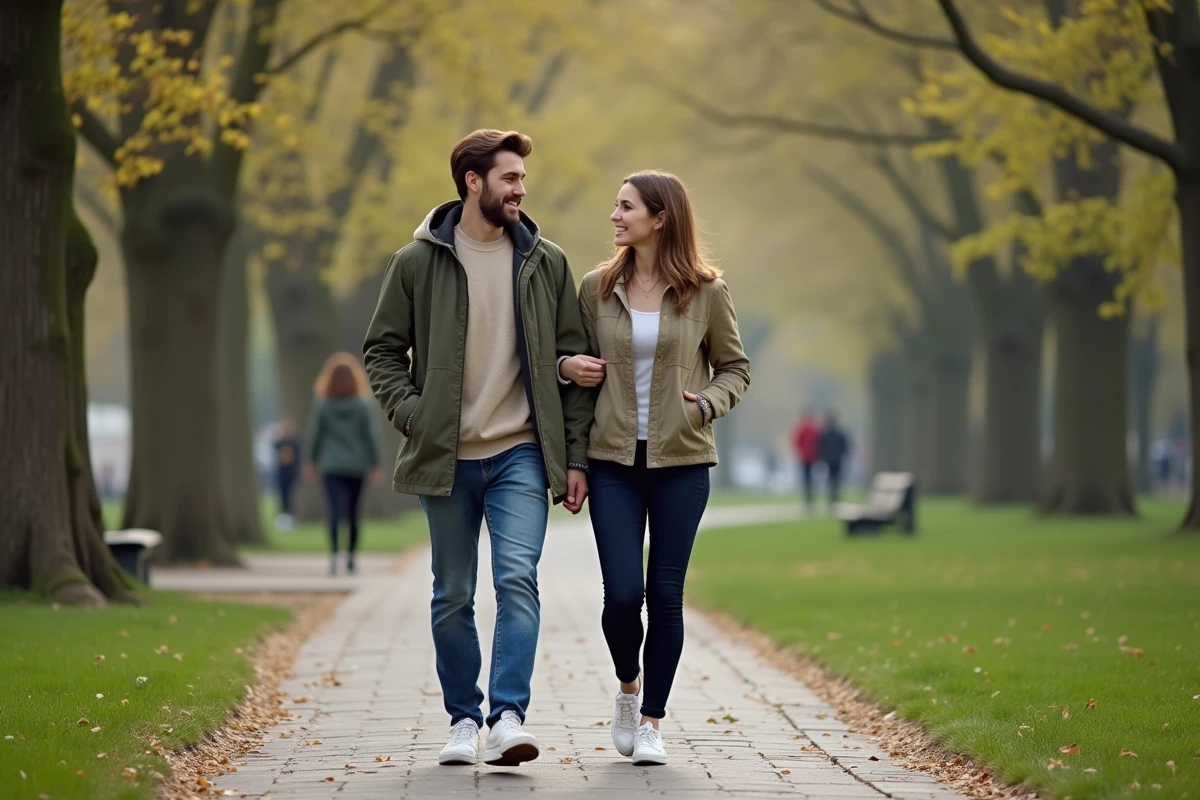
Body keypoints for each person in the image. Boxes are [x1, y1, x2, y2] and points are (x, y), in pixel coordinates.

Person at [362, 130, 593, 768]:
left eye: (522, 178)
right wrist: (413, 415)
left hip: (522, 451)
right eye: (510, 178)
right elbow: (382, 350)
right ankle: (463, 719)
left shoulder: (546, 261)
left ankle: (507, 717)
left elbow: (572, 361)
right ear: (473, 181)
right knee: (452, 594)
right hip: (447, 455)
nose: (521, 189)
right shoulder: (416, 262)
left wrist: (575, 456)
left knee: (517, 578)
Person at [560, 170, 751, 766]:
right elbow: (575, 379)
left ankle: (651, 722)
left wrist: (707, 404)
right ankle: (628, 686)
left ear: (660, 217)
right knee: (623, 595)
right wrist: (574, 452)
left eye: (626, 207)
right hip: (611, 462)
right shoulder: (595, 288)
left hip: (682, 462)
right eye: (616, 207)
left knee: (666, 595)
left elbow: (736, 368)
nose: (615, 217)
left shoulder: (707, 291)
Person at [304, 353, 383, 575]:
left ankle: (333, 556)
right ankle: (351, 558)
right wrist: (375, 464)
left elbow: (316, 435)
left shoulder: (323, 405)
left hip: (330, 465)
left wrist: (311, 461)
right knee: (354, 512)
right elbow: (370, 436)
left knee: (334, 511)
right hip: (357, 465)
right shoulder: (362, 405)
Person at [272, 418, 302, 531]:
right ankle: (283, 518)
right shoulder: (280, 442)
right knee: (282, 495)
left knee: (291, 496)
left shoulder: (295, 442)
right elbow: (275, 446)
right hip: (282, 473)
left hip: (292, 473)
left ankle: (291, 517)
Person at [791, 409, 821, 514]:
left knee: (807, 480)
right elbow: (819, 442)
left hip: (805, 457)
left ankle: (808, 501)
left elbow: (797, 441)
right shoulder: (815, 429)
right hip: (813, 457)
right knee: (812, 480)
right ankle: (811, 500)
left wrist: (801, 451)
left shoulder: (802, 428)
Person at [819, 412, 851, 508]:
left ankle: (832, 498)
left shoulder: (825, 433)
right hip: (837, 459)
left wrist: (823, 455)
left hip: (830, 459)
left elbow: (821, 446)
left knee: (831, 478)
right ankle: (835, 498)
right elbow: (845, 445)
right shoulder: (839, 433)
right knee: (836, 479)